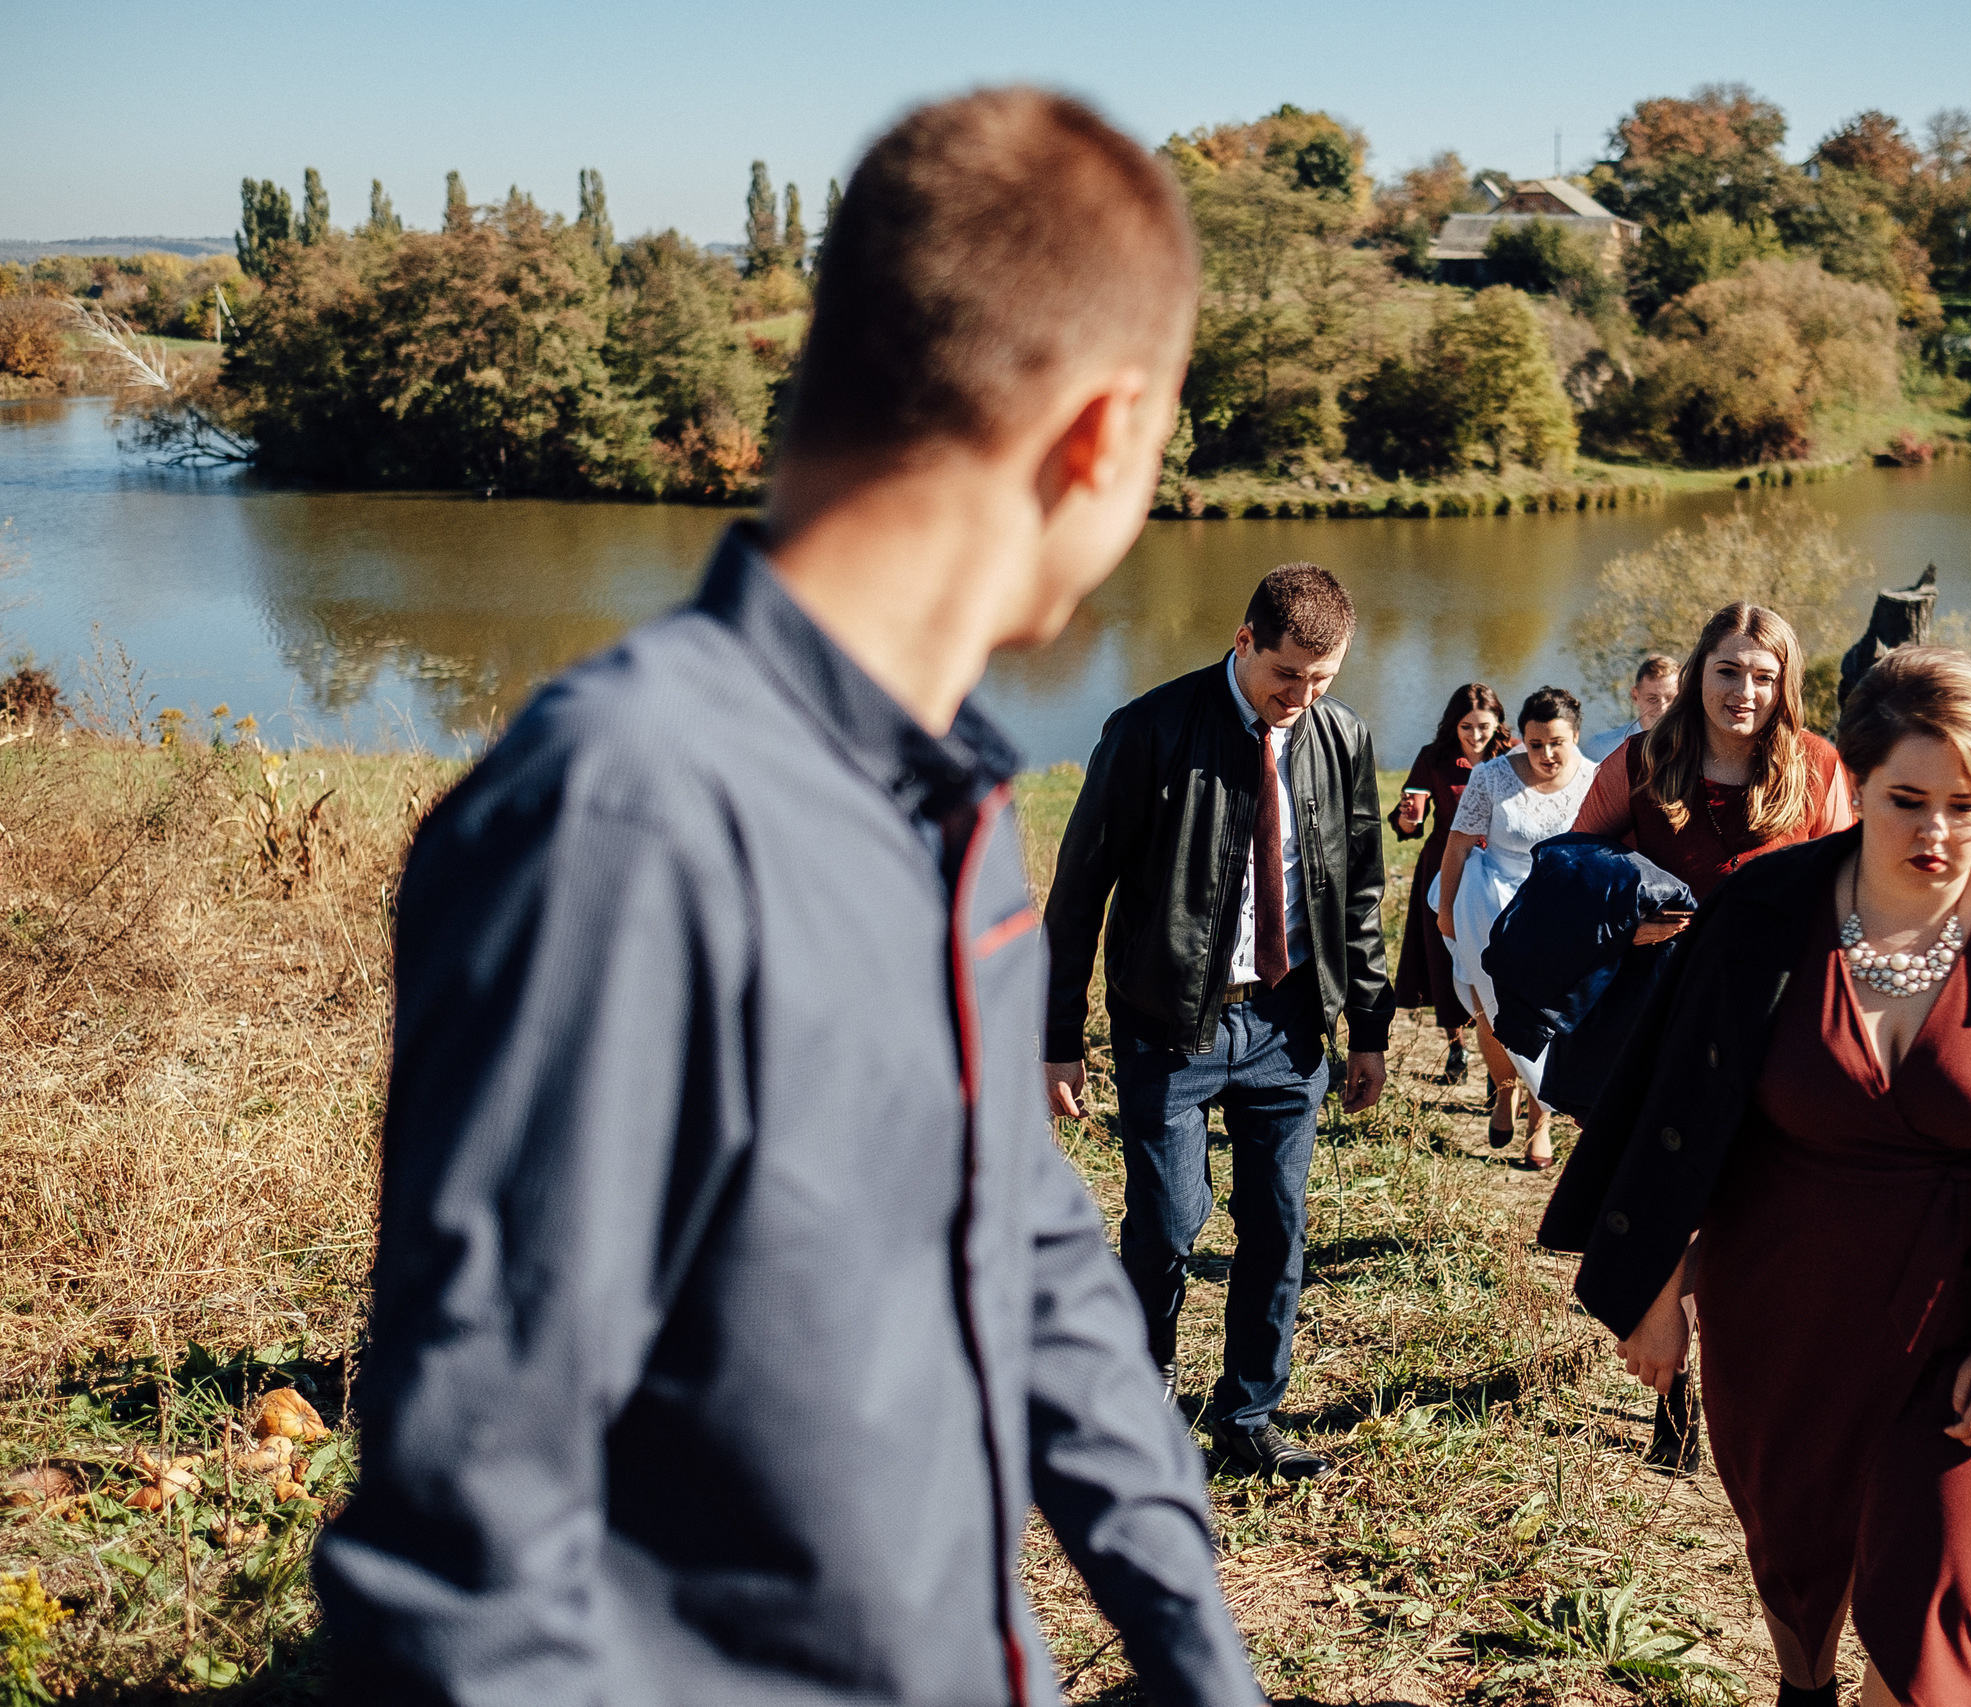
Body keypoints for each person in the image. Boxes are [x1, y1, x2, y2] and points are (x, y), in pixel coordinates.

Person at [315, 91, 1264, 1707]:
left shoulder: (958, 806)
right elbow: (469, 1568)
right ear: (1101, 435)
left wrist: (1195, 1649)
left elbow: (1029, 1247)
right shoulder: (625, 818)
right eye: (1164, 444)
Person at [1553, 648, 1971, 1707]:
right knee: (1796, 1557)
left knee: (1941, 1618)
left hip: (1964, 1325)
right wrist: (1654, 1286)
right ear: (1855, 783)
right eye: (1905, 800)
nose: (1934, 835)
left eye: (1965, 806)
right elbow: (1669, 1113)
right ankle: (1802, 1688)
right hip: (1781, 1303)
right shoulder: (1762, 915)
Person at [1043, 562, 1392, 1484]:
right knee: (1166, 1220)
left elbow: (1358, 891)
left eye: (1323, 680)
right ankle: (1140, 1392)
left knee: (1276, 1225)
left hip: (1288, 1028)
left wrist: (1369, 1026)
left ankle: (1247, 1416)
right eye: (1288, 676)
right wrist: (1057, 1038)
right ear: (1243, 642)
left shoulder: (1341, 738)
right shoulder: (1149, 729)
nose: (1303, 697)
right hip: (1172, 1025)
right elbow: (1077, 893)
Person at [1573, 603, 1854, 902]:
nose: (1744, 692)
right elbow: (1570, 865)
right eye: (1728, 672)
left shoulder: (1816, 762)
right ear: (1698, 675)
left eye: (1764, 678)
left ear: (1783, 686)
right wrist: (1629, 922)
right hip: (1666, 949)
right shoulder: (1643, 759)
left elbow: (1846, 888)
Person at [1436, 685, 1596, 1168]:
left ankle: (1539, 1122)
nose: (1546, 754)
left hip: (1562, 913)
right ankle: (1505, 1089)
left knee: (1549, 1019)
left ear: (1575, 737)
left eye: (1557, 743)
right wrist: (1446, 912)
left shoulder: (1595, 779)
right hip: (1491, 904)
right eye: (1535, 743)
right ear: (1522, 738)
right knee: (1494, 1015)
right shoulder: (1490, 777)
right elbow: (1459, 846)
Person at [1391, 684, 1511, 1085]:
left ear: (1497, 723)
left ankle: (1501, 1070)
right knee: (1444, 959)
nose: (1475, 735)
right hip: (1443, 867)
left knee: (1495, 965)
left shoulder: (1512, 756)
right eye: (1466, 726)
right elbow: (1407, 821)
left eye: (1483, 726)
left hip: (1497, 870)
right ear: (1453, 724)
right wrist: (1408, 819)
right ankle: (1456, 1052)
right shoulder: (1434, 757)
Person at [1583, 653, 1681, 761]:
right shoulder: (1602, 747)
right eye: (1652, 699)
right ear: (1635, 696)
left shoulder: (1696, 747)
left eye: (1671, 698)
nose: (1662, 709)